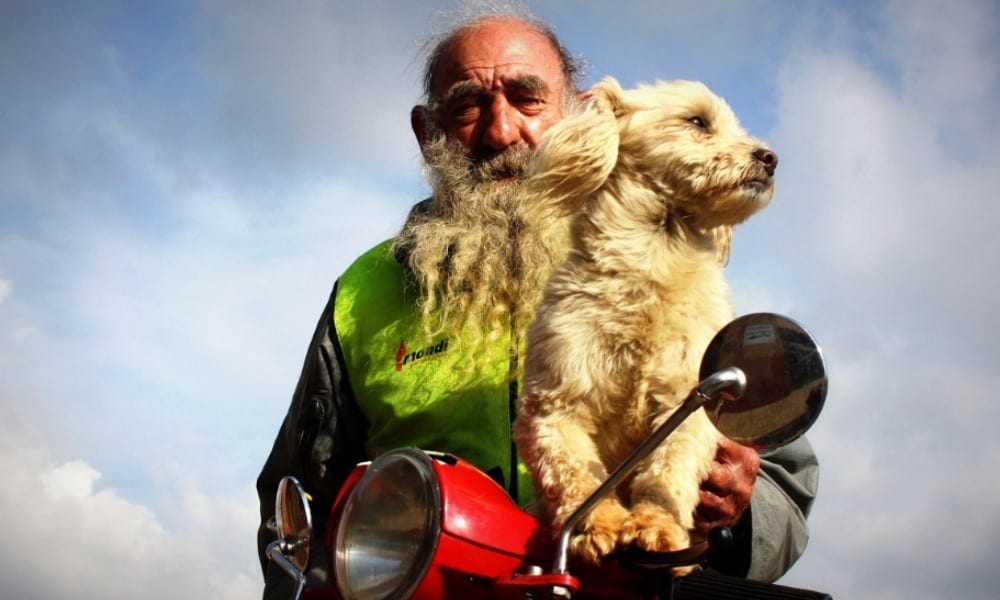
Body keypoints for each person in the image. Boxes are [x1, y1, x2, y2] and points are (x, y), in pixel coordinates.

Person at [257, 7, 819, 598]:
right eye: (467, 106)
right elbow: (295, 508)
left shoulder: (669, 259)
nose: (500, 131)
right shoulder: (361, 292)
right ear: (428, 131)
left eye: (528, 99)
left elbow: (786, 486)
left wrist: (741, 510)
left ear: (575, 114)